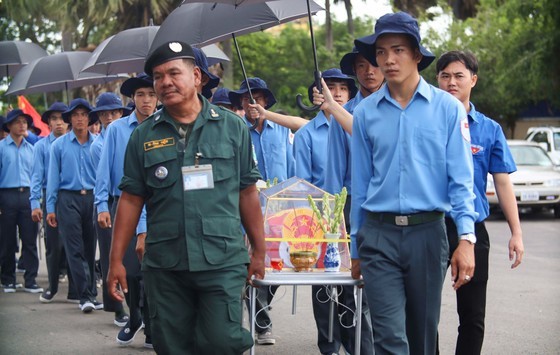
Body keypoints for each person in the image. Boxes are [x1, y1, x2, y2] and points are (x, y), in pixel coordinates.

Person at [107, 41, 266, 354]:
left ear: (197, 76)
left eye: (173, 73)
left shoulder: (232, 128)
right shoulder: (143, 135)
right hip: (166, 263)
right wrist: (115, 261)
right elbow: (130, 200)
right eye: (158, 76)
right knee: (172, 346)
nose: (165, 82)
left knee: (221, 340)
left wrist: (260, 250)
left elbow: (247, 192)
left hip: (221, 259)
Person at [350, 12, 478, 354]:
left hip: (428, 233)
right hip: (378, 236)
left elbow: (461, 179)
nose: (388, 60)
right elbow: (361, 185)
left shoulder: (449, 110)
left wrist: (466, 237)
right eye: (380, 52)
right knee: (389, 337)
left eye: (398, 50)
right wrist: (355, 246)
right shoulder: (365, 114)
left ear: (417, 55)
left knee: (422, 337)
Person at [436, 50, 524, 354]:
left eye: (459, 75)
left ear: (473, 79)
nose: (451, 82)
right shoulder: (425, 122)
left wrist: (517, 233)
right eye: (445, 75)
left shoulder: (489, 129)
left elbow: (502, 182)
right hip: (431, 226)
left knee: (472, 316)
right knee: (423, 313)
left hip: (472, 230)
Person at [295, 68, 372, 355]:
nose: (337, 92)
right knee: (325, 281)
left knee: (356, 280)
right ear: (318, 94)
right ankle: (328, 343)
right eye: (331, 87)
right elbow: (304, 182)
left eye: (342, 87)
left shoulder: (359, 120)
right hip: (323, 207)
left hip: (358, 202)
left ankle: (356, 343)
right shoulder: (306, 134)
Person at [229, 77, 295, 345]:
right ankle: (262, 321)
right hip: (248, 210)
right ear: (242, 104)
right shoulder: (236, 131)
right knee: (252, 265)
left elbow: (292, 167)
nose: (251, 102)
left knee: (278, 267)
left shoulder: (281, 129)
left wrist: (293, 203)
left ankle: (261, 305)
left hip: (280, 209)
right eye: (246, 98)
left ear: (266, 101)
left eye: (257, 97)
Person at [96, 73, 157, 348]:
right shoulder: (117, 129)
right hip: (124, 205)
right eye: (141, 95)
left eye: (152, 94)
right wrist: (101, 205)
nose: (147, 100)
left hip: (158, 207)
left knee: (154, 271)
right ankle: (135, 318)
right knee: (130, 270)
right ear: (133, 98)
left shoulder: (166, 127)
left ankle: (153, 328)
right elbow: (104, 169)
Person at [46, 98, 102, 313]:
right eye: (76, 115)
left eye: (84, 114)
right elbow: (52, 179)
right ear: (69, 119)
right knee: (74, 248)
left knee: (90, 247)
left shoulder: (97, 143)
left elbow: (102, 175)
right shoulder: (58, 145)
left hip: (92, 198)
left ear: (90, 118)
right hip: (67, 199)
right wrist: (51, 208)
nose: (80, 118)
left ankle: (92, 294)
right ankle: (84, 296)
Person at [30, 102, 77, 303]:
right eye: (55, 119)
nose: (59, 123)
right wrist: (35, 203)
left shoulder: (75, 142)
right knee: (53, 245)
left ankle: (76, 289)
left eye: (62, 118)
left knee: (75, 244)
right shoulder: (41, 146)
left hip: (72, 197)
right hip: (51, 198)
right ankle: (52, 286)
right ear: (48, 122)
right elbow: (36, 176)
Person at [89, 92, 130, 326]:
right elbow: (101, 180)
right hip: (112, 200)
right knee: (109, 255)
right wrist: (102, 206)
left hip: (133, 199)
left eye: (113, 112)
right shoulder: (98, 145)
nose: (109, 117)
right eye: (104, 114)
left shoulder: (128, 133)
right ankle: (115, 307)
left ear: (120, 113)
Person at [0, 109, 42, 294]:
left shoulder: (32, 149)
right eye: (17, 121)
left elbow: (36, 176)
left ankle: (31, 280)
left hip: (27, 196)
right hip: (6, 195)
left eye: (24, 121)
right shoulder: (1, 148)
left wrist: (36, 202)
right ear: (8, 126)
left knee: (30, 240)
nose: (22, 125)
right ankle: (8, 279)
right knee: (8, 240)